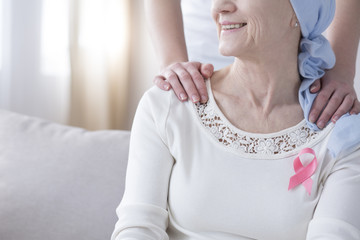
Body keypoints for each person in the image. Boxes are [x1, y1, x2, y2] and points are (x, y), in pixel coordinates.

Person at [111, 0, 360, 239]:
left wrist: (341, 71)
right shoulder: (167, 105)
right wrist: (174, 69)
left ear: (299, 12)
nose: (218, 6)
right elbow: (138, 228)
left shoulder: (341, 136)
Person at [145, 0, 360, 130]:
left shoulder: (336, 129)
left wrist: (340, 70)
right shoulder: (165, 108)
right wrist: (174, 63)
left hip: (289, 48)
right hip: (200, 60)